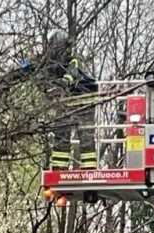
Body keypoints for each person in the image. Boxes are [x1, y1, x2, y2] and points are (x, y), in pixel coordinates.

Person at [40, 29, 98, 169]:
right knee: (61, 135)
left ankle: (89, 169)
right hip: (66, 102)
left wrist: (63, 83)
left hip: (84, 100)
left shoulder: (73, 59)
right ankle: (59, 169)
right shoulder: (50, 62)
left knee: (85, 137)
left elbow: (71, 74)